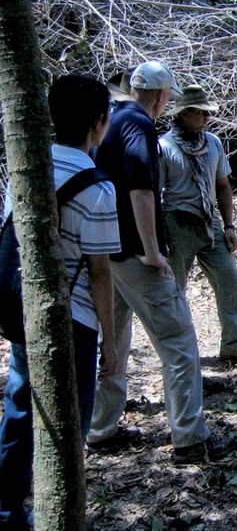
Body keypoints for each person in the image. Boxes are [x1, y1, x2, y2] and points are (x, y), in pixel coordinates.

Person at [88, 61, 237, 464]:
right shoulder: (138, 125)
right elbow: (140, 186)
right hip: (135, 255)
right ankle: (190, 438)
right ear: (160, 96)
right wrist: (153, 251)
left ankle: (100, 430)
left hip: (109, 254)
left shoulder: (114, 120)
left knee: (114, 338)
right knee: (178, 341)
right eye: (169, 96)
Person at [0, 74, 121, 530]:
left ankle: (7, 512)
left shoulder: (27, 166)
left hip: (27, 307)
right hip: (75, 319)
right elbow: (100, 273)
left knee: (20, 411)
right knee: (71, 423)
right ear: (98, 123)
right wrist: (110, 342)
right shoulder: (98, 188)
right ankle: (62, 513)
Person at [159, 85, 237, 364]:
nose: (206, 117)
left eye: (208, 112)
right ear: (183, 114)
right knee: (174, 289)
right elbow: (154, 196)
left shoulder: (213, 143)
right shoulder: (164, 147)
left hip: (210, 221)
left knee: (228, 278)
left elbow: (223, 185)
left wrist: (229, 225)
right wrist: (159, 238)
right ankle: (177, 352)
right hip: (177, 221)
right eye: (200, 113)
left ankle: (233, 343)